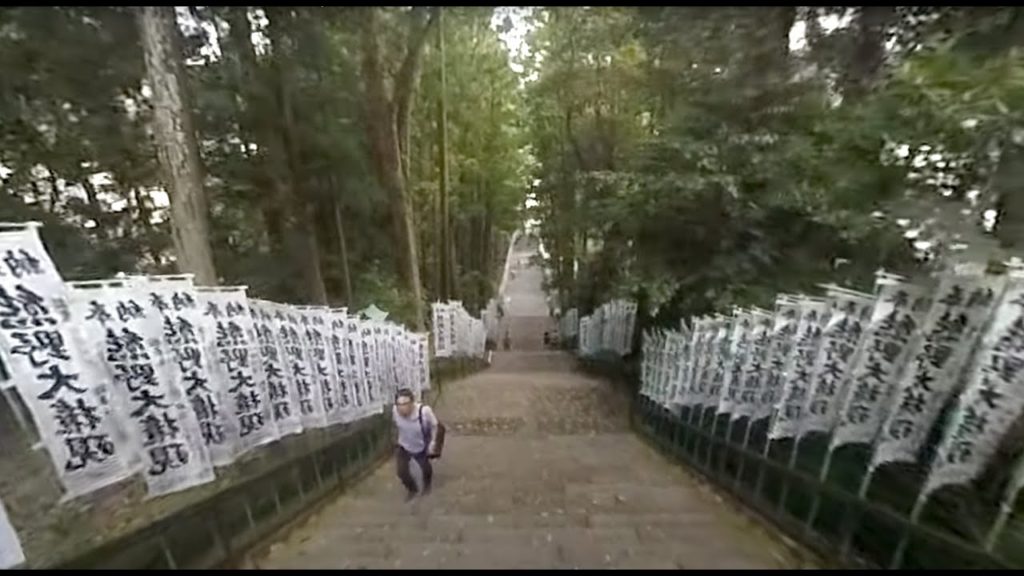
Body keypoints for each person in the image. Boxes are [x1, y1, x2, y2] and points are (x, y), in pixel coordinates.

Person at [392, 388, 438, 501]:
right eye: (399, 404)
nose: (402, 407)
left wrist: (433, 442)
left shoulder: (424, 411)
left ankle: (427, 485)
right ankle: (412, 489)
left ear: (412, 403)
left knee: (425, 467)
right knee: (401, 472)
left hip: (420, 446)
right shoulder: (394, 411)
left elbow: (435, 425)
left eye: (405, 404)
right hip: (403, 445)